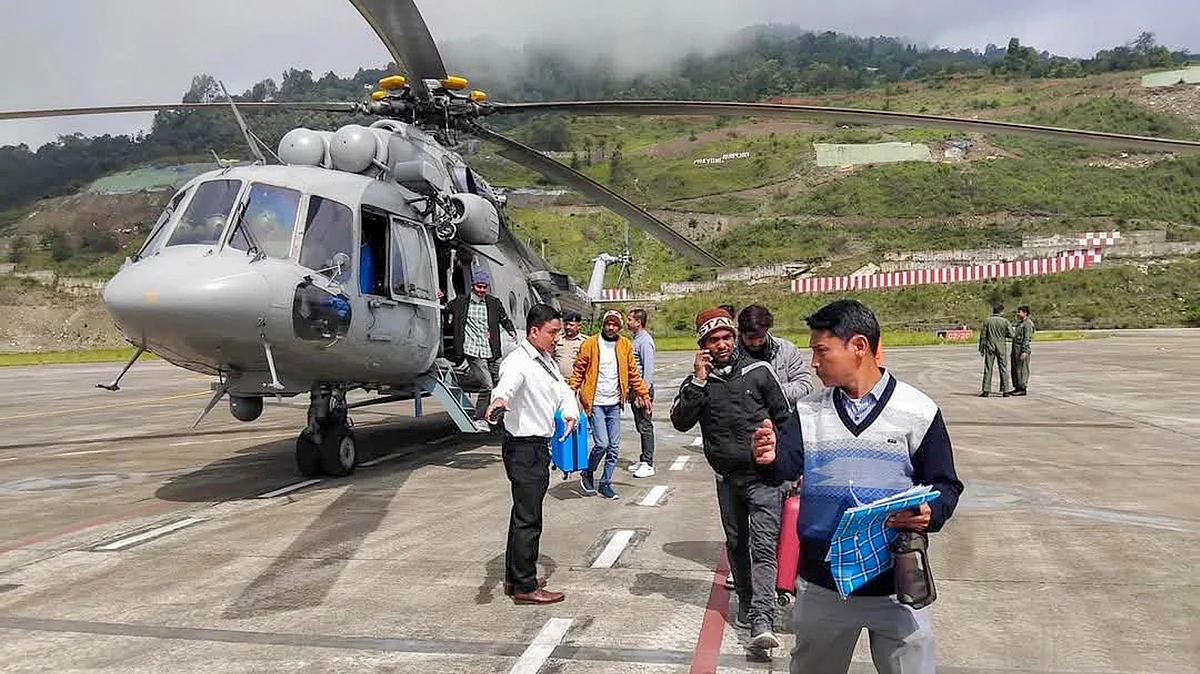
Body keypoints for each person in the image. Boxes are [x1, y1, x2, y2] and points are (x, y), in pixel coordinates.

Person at [751, 299, 965, 674]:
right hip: (823, 585)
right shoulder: (808, 411)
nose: (813, 363)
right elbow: (785, 467)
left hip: (897, 585)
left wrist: (931, 512)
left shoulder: (918, 410)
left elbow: (946, 484)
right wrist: (768, 458)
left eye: (821, 351)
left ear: (859, 346)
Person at [670, 306, 792, 651]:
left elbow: (786, 420)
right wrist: (698, 381)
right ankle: (747, 599)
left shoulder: (759, 371)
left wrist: (790, 468)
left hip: (764, 477)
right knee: (737, 543)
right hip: (726, 479)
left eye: (726, 337)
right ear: (703, 345)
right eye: (713, 340)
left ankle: (763, 618)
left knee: (763, 547)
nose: (722, 344)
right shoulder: (697, 384)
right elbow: (680, 421)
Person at [484, 304, 579, 605]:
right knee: (529, 519)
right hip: (524, 448)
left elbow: (563, 391)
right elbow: (507, 385)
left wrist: (570, 412)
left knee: (522, 515)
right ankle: (525, 586)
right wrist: (499, 400)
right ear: (535, 331)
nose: (557, 338)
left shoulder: (545, 360)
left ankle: (516, 578)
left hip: (537, 447)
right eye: (552, 332)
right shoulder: (518, 361)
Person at [569, 310, 652, 500]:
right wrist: (571, 391)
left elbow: (633, 372)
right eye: (608, 323)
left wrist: (643, 393)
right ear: (603, 324)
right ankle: (588, 471)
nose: (611, 327)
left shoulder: (625, 345)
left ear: (619, 327)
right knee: (602, 444)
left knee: (614, 447)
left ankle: (605, 483)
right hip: (596, 402)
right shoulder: (590, 344)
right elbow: (579, 370)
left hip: (614, 403)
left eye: (615, 324)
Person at [446, 270, 518, 413]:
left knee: (498, 383)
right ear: (473, 286)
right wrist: (438, 295)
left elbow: (504, 318)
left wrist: (510, 330)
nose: (482, 290)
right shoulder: (461, 302)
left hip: (491, 350)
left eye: (484, 287)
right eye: (479, 286)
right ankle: (479, 416)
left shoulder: (494, 303)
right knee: (487, 385)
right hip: (473, 350)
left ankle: (494, 413)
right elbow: (447, 307)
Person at [737, 304, 815, 407]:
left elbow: (805, 386)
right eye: (750, 338)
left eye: (760, 337)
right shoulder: (730, 354)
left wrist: (772, 392)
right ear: (739, 332)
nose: (756, 343)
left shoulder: (787, 350)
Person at [626, 308, 658, 478]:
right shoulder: (636, 339)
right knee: (640, 425)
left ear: (638, 322)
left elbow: (648, 369)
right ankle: (643, 458)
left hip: (642, 391)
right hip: (635, 390)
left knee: (645, 425)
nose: (627, 322)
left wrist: (643, 393)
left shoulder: (645, 341)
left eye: (630, 319)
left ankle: (648, 463)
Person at [978, 303, 1012, 397]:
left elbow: (983, 336)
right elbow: (1011, 334)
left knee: (988, 368)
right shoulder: (1005, 321)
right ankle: (1005, 390)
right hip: (1001, 346)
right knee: (1003, 368)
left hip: (990, 346)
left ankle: (986, 390)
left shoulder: (987, 321)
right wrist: (1003, 334)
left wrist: (981, 348)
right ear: (1002, 311)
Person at [553, 311, 587, 380]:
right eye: (566, 324)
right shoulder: (557, 338)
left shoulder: (585, 342)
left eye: (571, 325)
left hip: (575, 382)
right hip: (557, 380)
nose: (568, 327)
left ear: (579, 326)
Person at [1010, 305, 1035, 395]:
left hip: (1021, 348)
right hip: (1016, 348)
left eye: (1019, 312)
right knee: (1016, 368)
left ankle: (1022, 388)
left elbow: (1026, 338)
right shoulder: (1020, 323)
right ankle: (1017, 387)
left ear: (1025, 313)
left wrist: (1024, 351)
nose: (1017, 314)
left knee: (1022, 369)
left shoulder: (1027, 324)